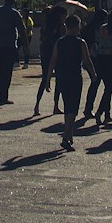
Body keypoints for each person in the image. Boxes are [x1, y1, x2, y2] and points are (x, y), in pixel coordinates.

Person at [45, 14, 95, 151]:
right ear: (78, 27)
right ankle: (66, 136)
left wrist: (48, 79)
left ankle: (69, 134)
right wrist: (93, 75)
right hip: (74, 76)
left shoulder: (59, 42)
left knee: (67, 105)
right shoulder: (81, 42)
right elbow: (87, 61)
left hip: (61, 76)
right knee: (73, 107)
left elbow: (53, 61)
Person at [87, 7, 112, 127]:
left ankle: (107, 113)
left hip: (101, 58)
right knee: (109, 89)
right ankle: (101, 112)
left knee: (106, 87)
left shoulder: (103, 28)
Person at [0, 0, 27, 104]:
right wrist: (26, 45)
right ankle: (4, 96)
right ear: (13, 2)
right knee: (7, 72)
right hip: (9, 45)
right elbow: (22, 30)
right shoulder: (14, 13)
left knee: (0, 70)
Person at [34, 6, 66, 115]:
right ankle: (55, 105)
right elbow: (62, 38)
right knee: (59, 79)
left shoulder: (46, 24)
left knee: (45, 78)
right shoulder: (59, 25)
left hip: (45, 52)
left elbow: (42, 38)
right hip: (56, 53)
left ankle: (37, 105)